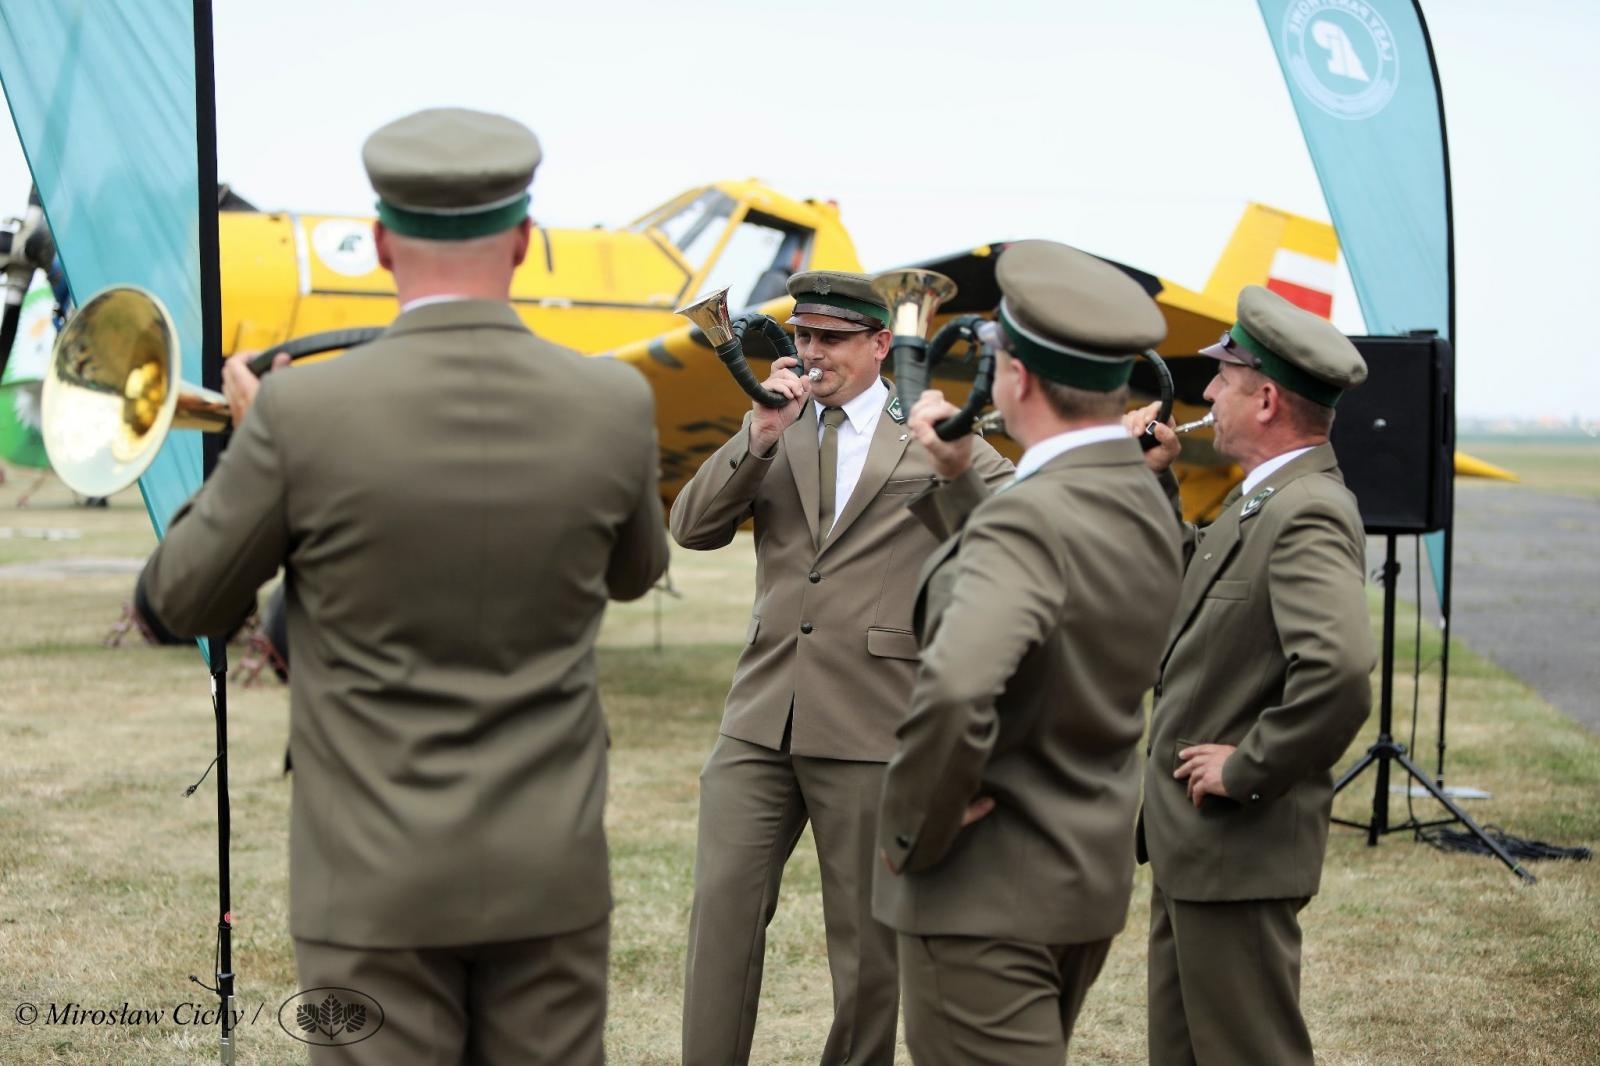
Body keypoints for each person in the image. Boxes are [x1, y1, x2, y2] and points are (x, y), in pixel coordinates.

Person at [137, 107, 668, 1066]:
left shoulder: (302, 413)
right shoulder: (616, 402)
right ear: (525, 241)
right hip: (549, 869)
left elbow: (178, 602)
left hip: (370, 880)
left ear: (381, 244)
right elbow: (637, 575)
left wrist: (256, 446)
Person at [671, 270, 1012, 1065]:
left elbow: (1017, 528)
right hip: (760, 718)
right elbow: (690, 529)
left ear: (882, 344)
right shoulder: (776, 422)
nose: (811, 354)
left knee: (866, 948)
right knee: (721, 920)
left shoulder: (930, 428)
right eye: (802, 336)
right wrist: (755, 438)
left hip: (872, 719)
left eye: (831, 339)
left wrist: (956, 464)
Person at [873, 239, 1183, 1064]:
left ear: (1016, 377)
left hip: (986, 892)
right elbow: (1058, 589)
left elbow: (955, 691)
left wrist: (913, 828)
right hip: (1078, 876)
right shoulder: (1144, 495)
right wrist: (965, 476)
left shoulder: (1034, 519)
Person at [1130, 284, 1375, 1066]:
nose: (1206, 394)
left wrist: (1248, 766)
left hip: (1237, 843)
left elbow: (1337, 672)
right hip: (1196, 848)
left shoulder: (1306, 509)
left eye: (1224, 382)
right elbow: (1190, 604)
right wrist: (1158, 482)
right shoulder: (1261, 500)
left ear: (1266, 400)